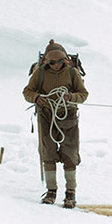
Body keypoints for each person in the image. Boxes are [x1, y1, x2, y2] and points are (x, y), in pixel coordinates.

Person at [23, 40, 89, 208]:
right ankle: (51, 191)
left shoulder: (73, 73)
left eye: (59, 61)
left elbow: (83, 94)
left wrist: (71, 97)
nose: (56, 65)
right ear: (46, 61)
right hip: (46, 116)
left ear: (65, 59)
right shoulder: (40, 73)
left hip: (69, 116)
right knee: (48, 152)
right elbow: (27, 91)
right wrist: (37, 98)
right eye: (52, 62)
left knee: (70, 153)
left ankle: (70, 193)